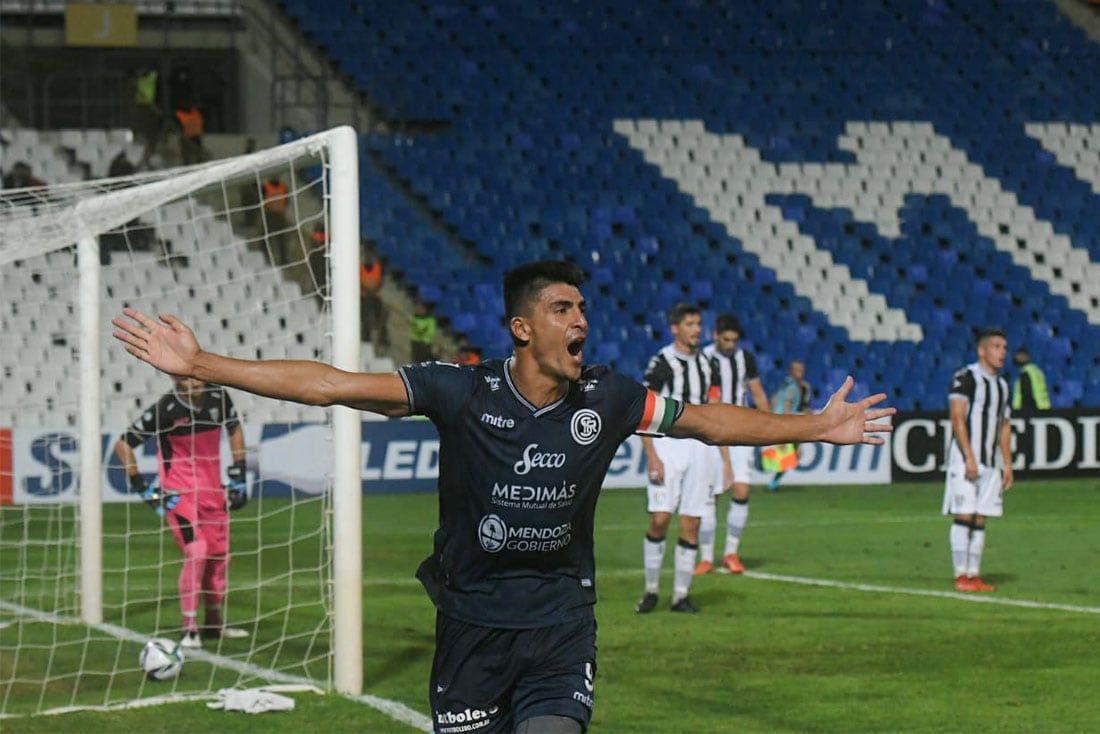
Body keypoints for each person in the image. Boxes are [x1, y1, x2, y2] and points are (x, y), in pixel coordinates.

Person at [111, 260, 892, 733]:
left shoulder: (610, 399)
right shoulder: (461, 392)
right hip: (471, 628)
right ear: (522, 328)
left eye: (582, 309)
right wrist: (208, 363)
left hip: (558, 626)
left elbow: (708, 423)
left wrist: (816, 425)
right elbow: (334, 386)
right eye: (562, 309)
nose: (581, 320)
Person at [114, 376, 251, 648]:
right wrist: (141, 484)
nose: (193, 381)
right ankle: (189, 628)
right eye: (186, 377)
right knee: (196, 550)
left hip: (213, 491)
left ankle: (214, 623)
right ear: (175, 378)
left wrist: (239, 471)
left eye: (196, 375)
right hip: (178, 494)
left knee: (218, 557)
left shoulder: (218, 396)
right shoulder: (165, 409)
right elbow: (123, 444)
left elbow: (234, 428)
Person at [635, 304, 726, 614]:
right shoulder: (662, 363)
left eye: (699, 323)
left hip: (701, 448)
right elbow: (644, 412)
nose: (696, 329)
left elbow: (716, 411)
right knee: (660, 519)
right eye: (690, 324)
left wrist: (723, 460)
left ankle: (680, 595)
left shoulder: (708, 364)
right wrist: (652, 456)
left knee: (692, 523)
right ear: (675, 328)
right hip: (668, 446)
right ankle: (650, 590)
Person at [696, 314, 771, 576]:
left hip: (741, 430)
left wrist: (773, 428)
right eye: (726, 339)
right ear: (715, 335)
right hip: (711, 430)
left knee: (741, 490)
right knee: (711, 495)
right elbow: (712, 401)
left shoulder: (745, 358)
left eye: (734, 341)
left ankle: (731, 553)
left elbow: (758, 393)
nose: (730, 345)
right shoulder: (704, 359)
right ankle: (706, 558)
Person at [944, 327, 1014, 593]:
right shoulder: (966, 378)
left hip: (991, 461)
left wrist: (1007, 463)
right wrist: (969, 457)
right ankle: (960, 574)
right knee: (965, 514)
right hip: (965, 459)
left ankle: (974, 574)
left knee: (982, 517)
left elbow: (1004, 425)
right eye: (996, 347)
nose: (1002, 353)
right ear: (982, 350)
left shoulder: (1002, 385)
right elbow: (957, 418)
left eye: (1004, 348)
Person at [765, 360, 809, 491]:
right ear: (791, 371)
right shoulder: (791, 387)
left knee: (793, 454)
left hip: (786, 421)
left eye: (801, 370)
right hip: (785, 422)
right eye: (797, 370)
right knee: (792, 453)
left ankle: (774, 480)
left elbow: (774, 399)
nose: (800, 373)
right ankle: (772, 479)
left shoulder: (798, 386)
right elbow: (786, 407)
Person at [131, 68, 161, 168]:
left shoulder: (151, 79)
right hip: (143, 106)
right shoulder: (139, 82)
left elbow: (154, 73)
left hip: (148, 107)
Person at [359, 245, 388, 347]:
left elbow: (380, 281)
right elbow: (359, 282)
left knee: (382, 314)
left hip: (374, 295)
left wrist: (375, 290)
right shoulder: (361, 268)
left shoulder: (378, 268)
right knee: (365, 315)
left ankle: (383, 337)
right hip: (364, 295)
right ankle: (366, 336)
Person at [1012, 346, 1050, 413]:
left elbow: (1026, 395)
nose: (1016, 357)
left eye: (1019, 355)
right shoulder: (1038, 372)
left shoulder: (1025, 374)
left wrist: (1018, 412)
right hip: (1044, 407)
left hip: (1032, 411)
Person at [262, 175, 290, 265]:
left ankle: (283, 258)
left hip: (279, 215)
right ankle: (264, 256)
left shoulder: (283, 187)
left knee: (281, 238)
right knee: (267, 237)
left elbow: (286, 200)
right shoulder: (265, 186)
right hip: (269, 215)